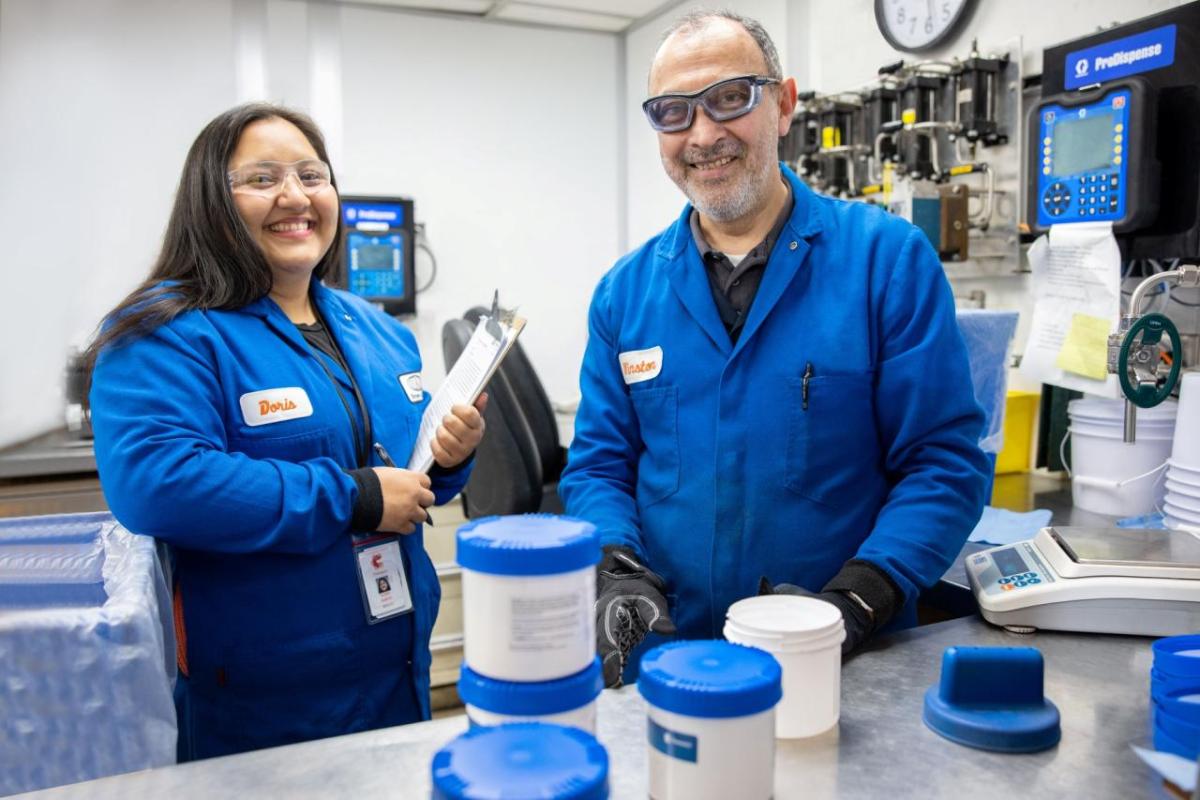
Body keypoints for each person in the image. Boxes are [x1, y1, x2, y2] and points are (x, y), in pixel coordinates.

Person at [559, 11, 991, 687]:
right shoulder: (625, 294)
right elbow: (598, 467)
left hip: (841, 667)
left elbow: (943, 464)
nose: (702, 134)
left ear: (784, 104)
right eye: (673, 112)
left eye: (730, 98)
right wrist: (614, 564)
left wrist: (858, 599)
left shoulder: (887, 263)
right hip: (670, 662)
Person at [86, 103, 486, 759]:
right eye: (263, 179)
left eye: (312, 175)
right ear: (211, 199)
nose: (295, 196)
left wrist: (450, 459)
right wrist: (352, 497)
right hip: (267, 704)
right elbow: (156, 484)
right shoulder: (166, 332)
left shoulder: (380, 330)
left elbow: (404, 475)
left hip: (396, 675)